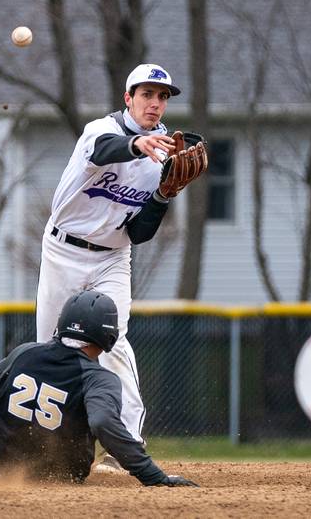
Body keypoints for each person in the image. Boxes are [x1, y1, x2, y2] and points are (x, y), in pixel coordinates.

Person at [35, 63, 205, 472]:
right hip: (64, 251)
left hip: (113, 255)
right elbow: (104, 150)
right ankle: (43, 441)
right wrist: (137, 145)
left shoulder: (164, 154)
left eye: (162, 97)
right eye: (147, 94)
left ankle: (125, 441)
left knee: (115, 340)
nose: (156, 103)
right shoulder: (101, 129)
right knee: (50, 347)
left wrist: (164, 194)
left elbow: (140, 233)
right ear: (128, 98)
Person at [0, 290, 198, 487]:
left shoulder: (27, 351)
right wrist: (153, 476)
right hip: (64, 478)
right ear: (108, 335)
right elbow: (104, 422)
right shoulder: (101, 379)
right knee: (75, 413)